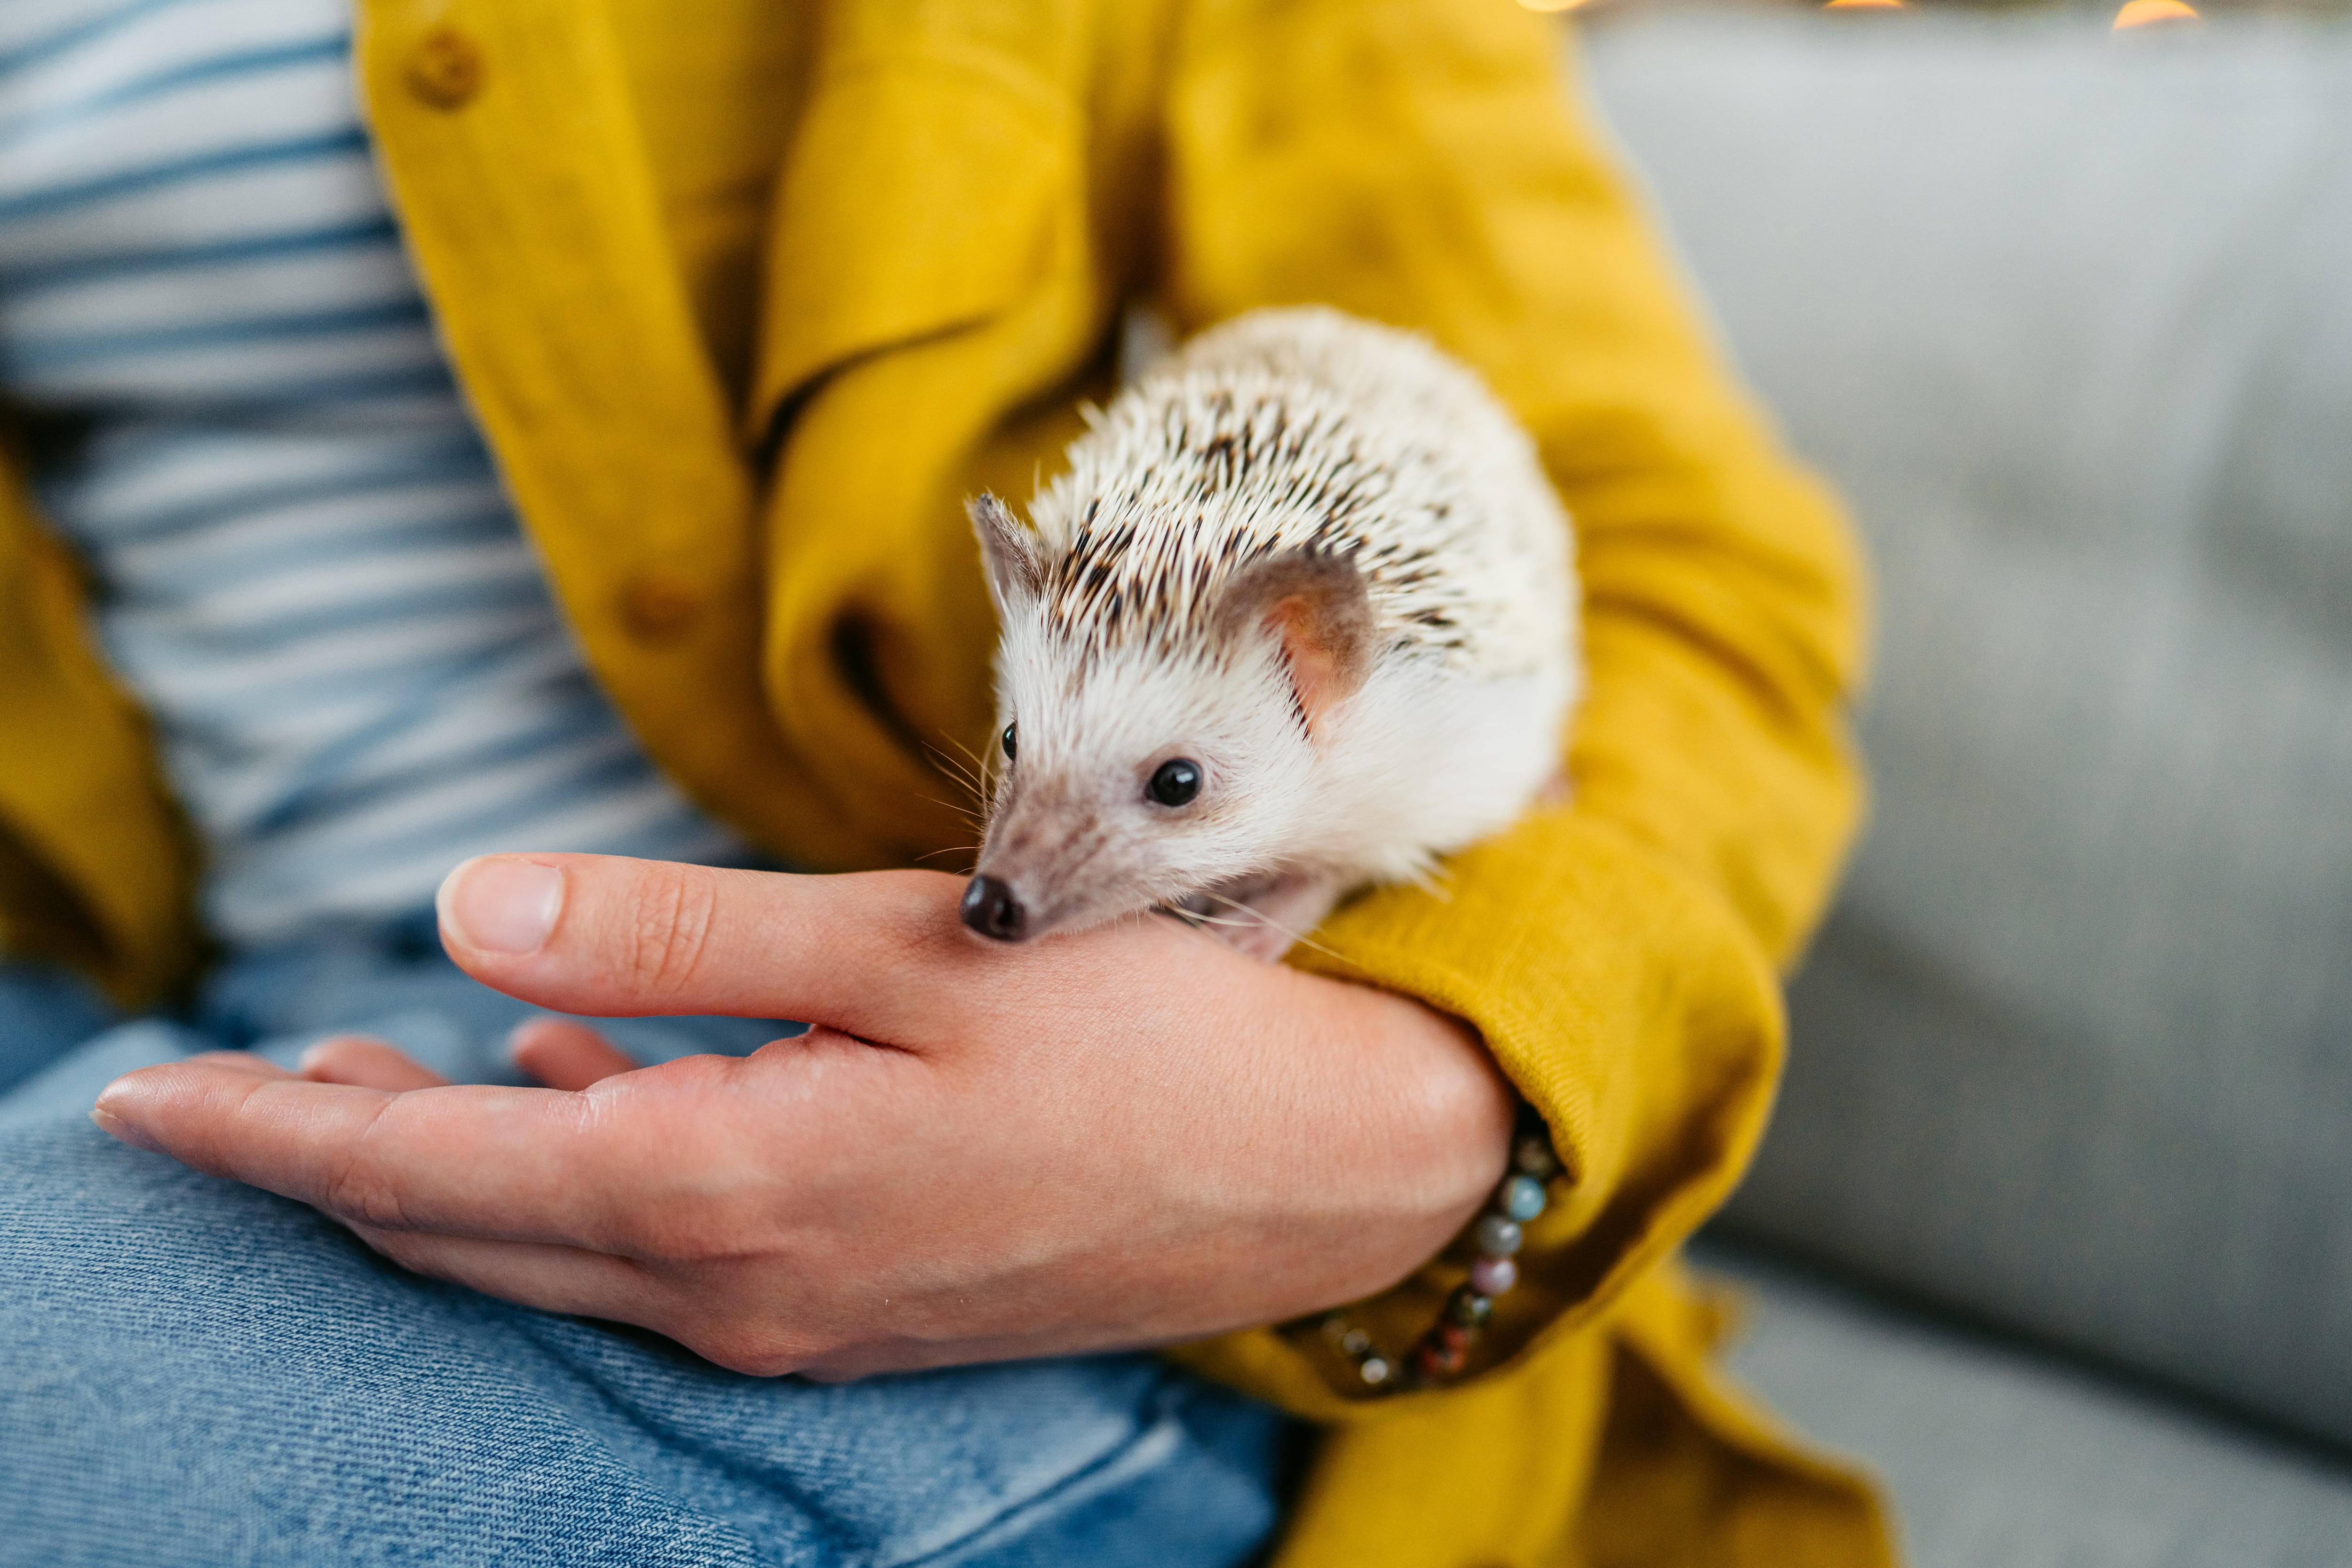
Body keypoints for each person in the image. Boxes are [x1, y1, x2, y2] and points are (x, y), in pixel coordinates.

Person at [0, 0, 1893, 1563]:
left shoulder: (1372, 679)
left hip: (922, 1109)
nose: (1014, 865)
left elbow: (1682, 559)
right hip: (116, 961)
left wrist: (1406, 1089)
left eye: (1170, 785)